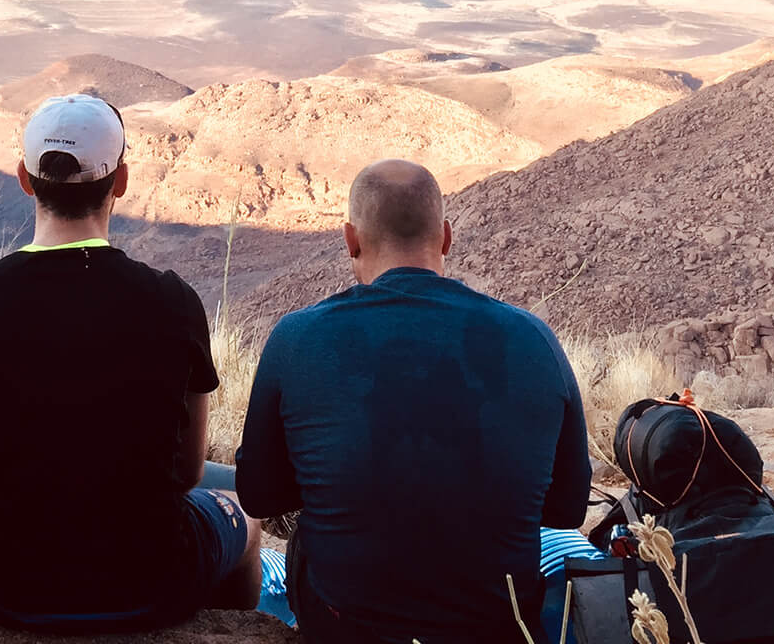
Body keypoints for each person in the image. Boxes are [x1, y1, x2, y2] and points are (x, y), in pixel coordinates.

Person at [0, 93, 263, 629]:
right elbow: (188, 473)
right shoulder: (174, 301)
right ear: (120, 180)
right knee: (249, 525)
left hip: (1, 582)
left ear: (25, 180)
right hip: (153, 582)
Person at [235, 159, 591, 644]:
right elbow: (566, 510)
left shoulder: (298, 338)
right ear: (445, 237)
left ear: (350, 240)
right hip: (496, 626)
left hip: (346, 628)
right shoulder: (535, 339)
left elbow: (258, 495)